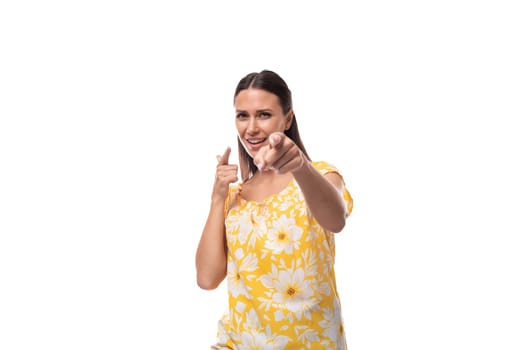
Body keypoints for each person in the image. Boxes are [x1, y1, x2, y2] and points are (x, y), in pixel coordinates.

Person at [195, 69, 353, 349]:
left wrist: (299, 166)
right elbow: (207, 279)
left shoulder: (322, 176)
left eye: (264, 114)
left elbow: (336, 219)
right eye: (242, 115)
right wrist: (218, 197)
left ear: (288, 118)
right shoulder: (235, 198)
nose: (251, 127)